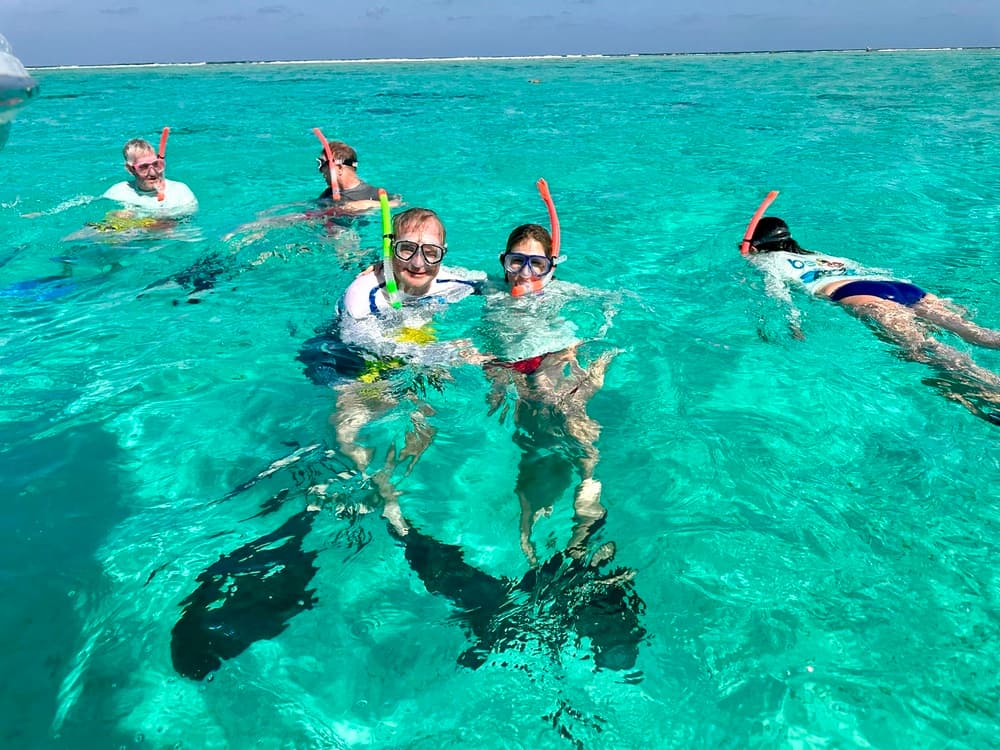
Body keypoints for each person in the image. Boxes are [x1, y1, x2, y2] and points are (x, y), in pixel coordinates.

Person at [301, 207, 485, 531]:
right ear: (391, 250)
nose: (418, 263)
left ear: (442, 255)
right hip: (345, 358)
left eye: (430, 252)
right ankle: (374, 484)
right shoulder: (363, 294)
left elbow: (499, 282)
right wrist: (443, 352)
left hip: (407, 353)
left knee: (423, 420)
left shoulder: (453, 281)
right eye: (406, 250)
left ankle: (395, 485)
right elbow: (363, 342)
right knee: (349, 426)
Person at [745, 214, 1000, 423]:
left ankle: (994, 394)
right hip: (902, 287)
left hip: (859, 294)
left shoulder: (767, 261)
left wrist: (793, 326)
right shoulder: (819, 254)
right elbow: (869, 270)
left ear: (756, 246)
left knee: (927, 348)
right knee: (980, 335)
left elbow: (778, 296)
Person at [481, 223, 617, 566]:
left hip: (553, 358)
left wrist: (581, 347)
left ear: (551, 268)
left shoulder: (560, 292)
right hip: (513, 367)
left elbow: (609, 302)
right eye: (516, 262)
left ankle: (587, 489)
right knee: (527, 438)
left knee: (569, 416)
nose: (525, 274)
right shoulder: (489, 290)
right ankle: (527, 529)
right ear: (503, 262)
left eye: (537, 265)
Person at [102, 137, 197, 217]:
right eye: (144, 167)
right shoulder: (118, 193)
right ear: (131, 169)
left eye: (156, 164)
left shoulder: (180, 192)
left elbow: (186, 223)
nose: (152, 172)